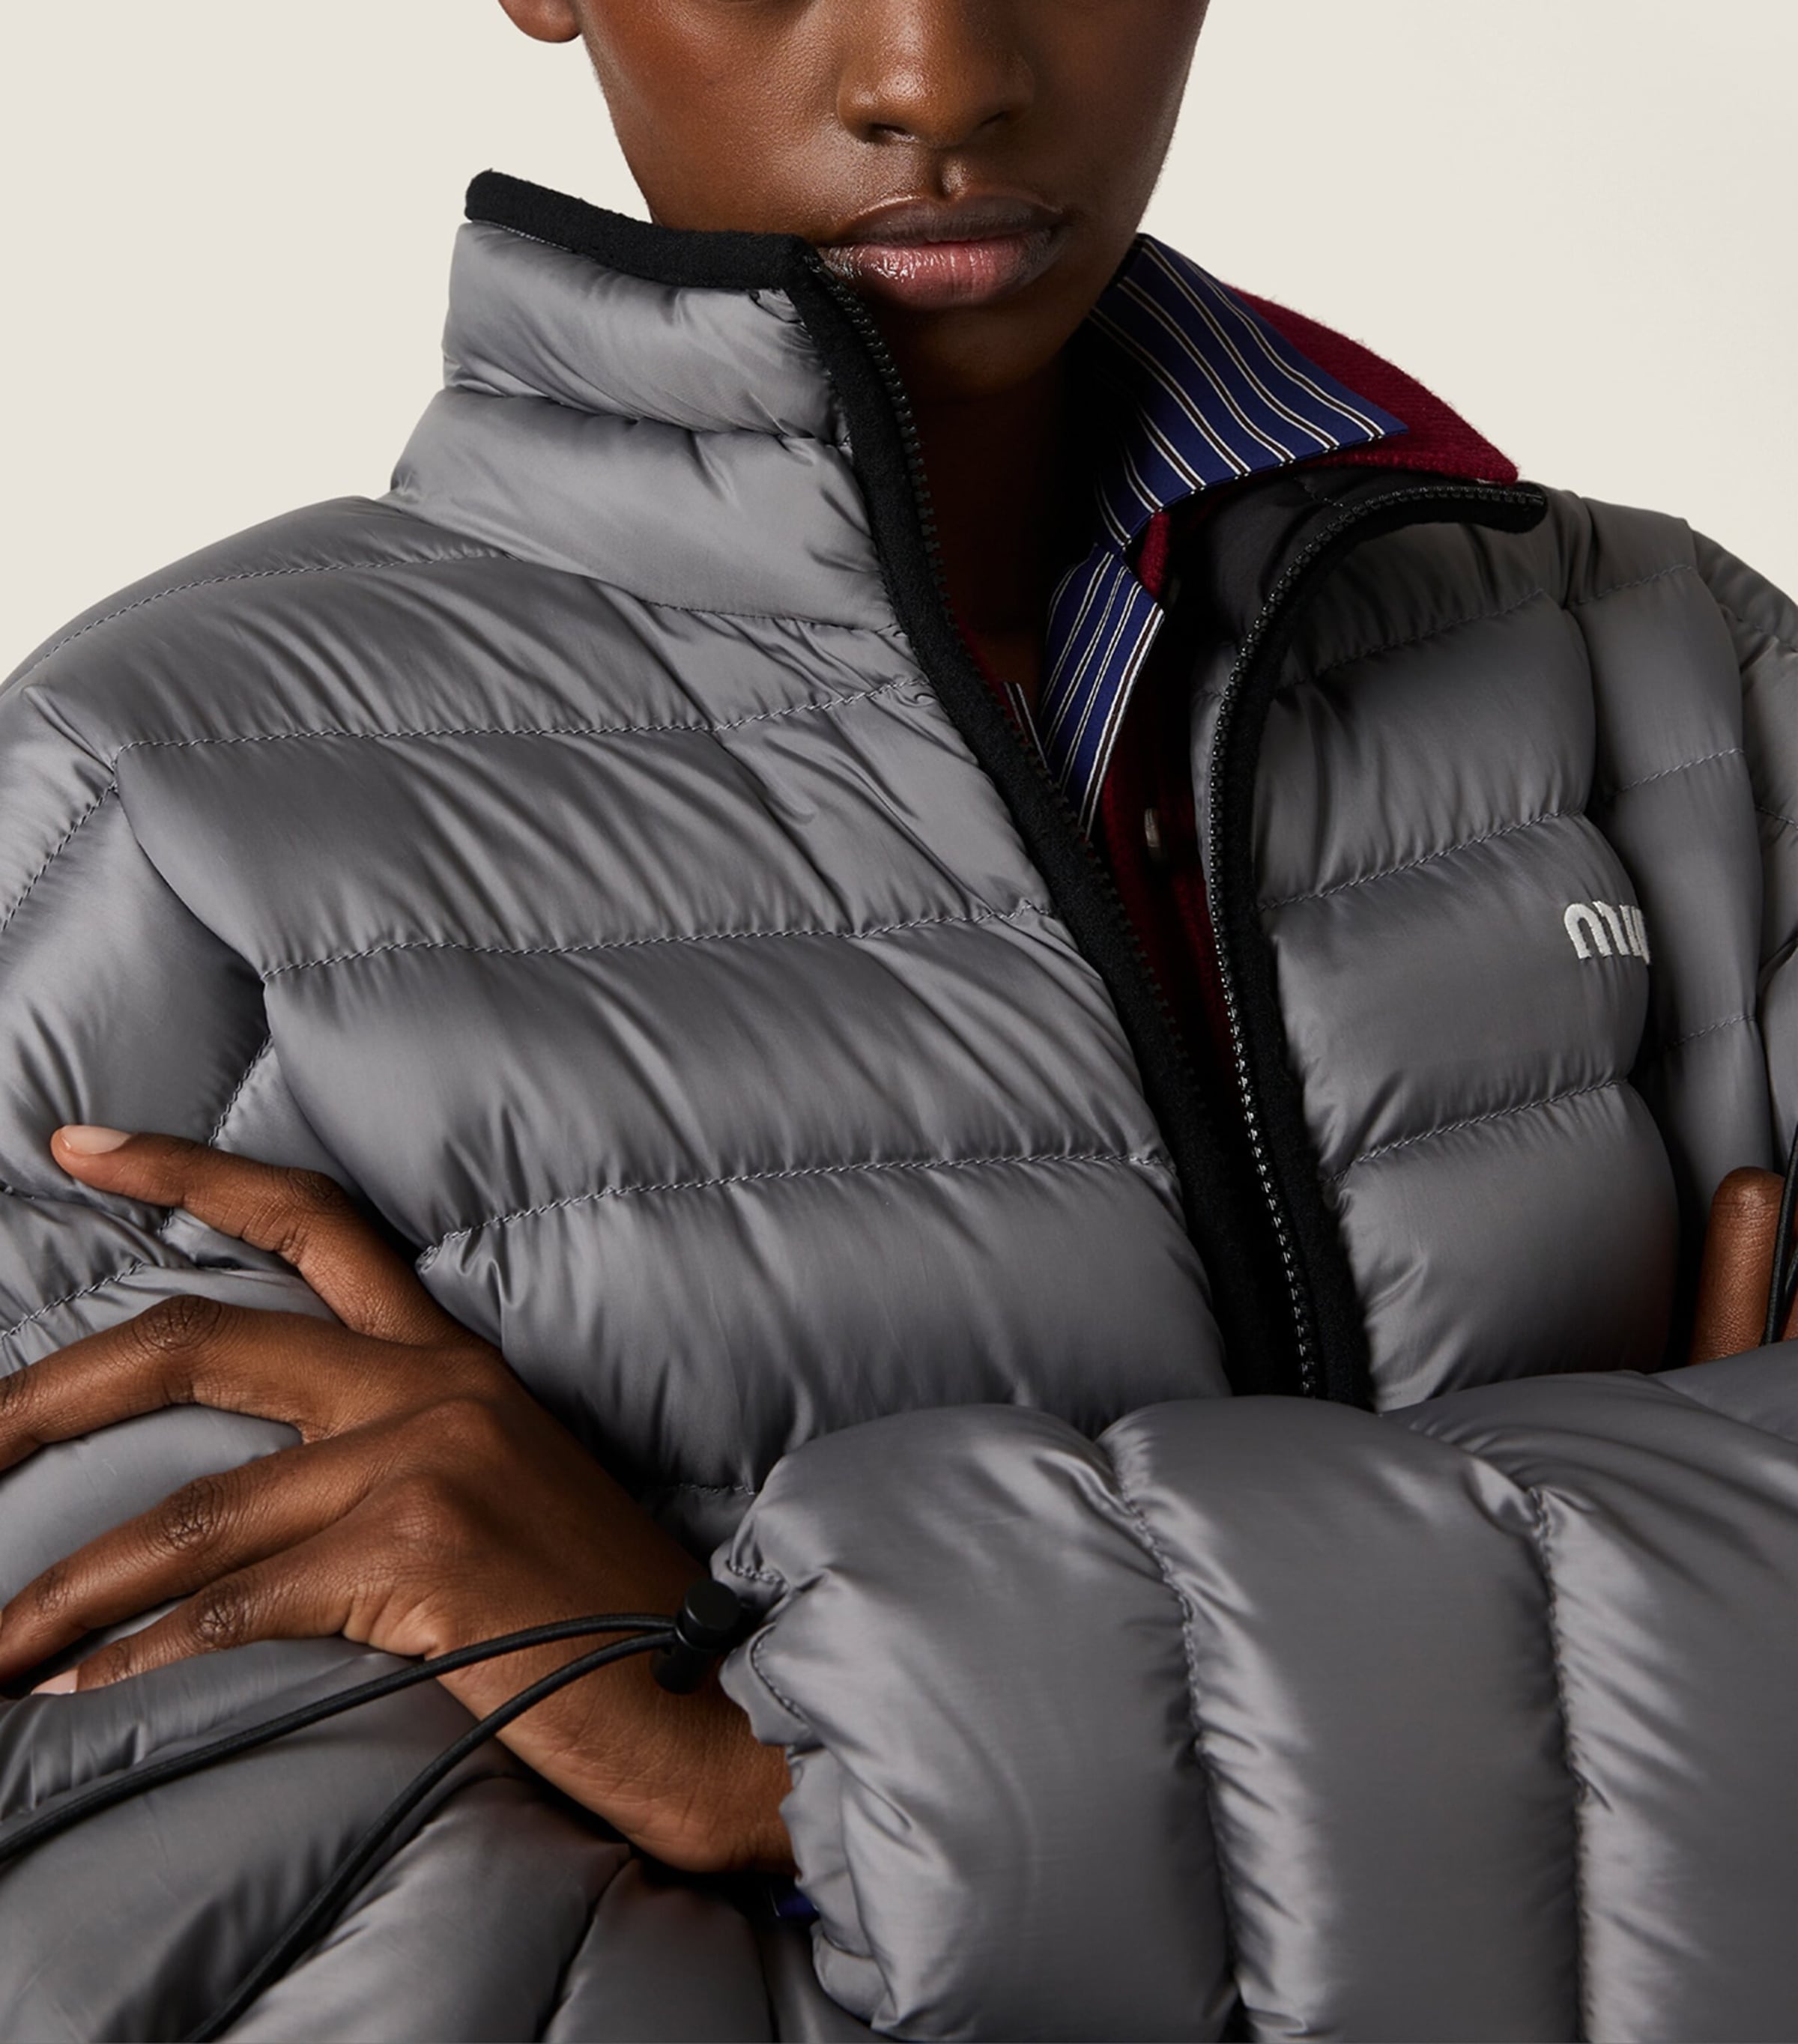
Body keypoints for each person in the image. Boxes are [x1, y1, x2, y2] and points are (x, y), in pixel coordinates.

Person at [1, 1, 1797, 2037]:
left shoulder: (1675, 687)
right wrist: (1664, 1539)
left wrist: (807, 1765)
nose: (937, 80)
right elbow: (203, 1968)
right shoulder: (156, 818)